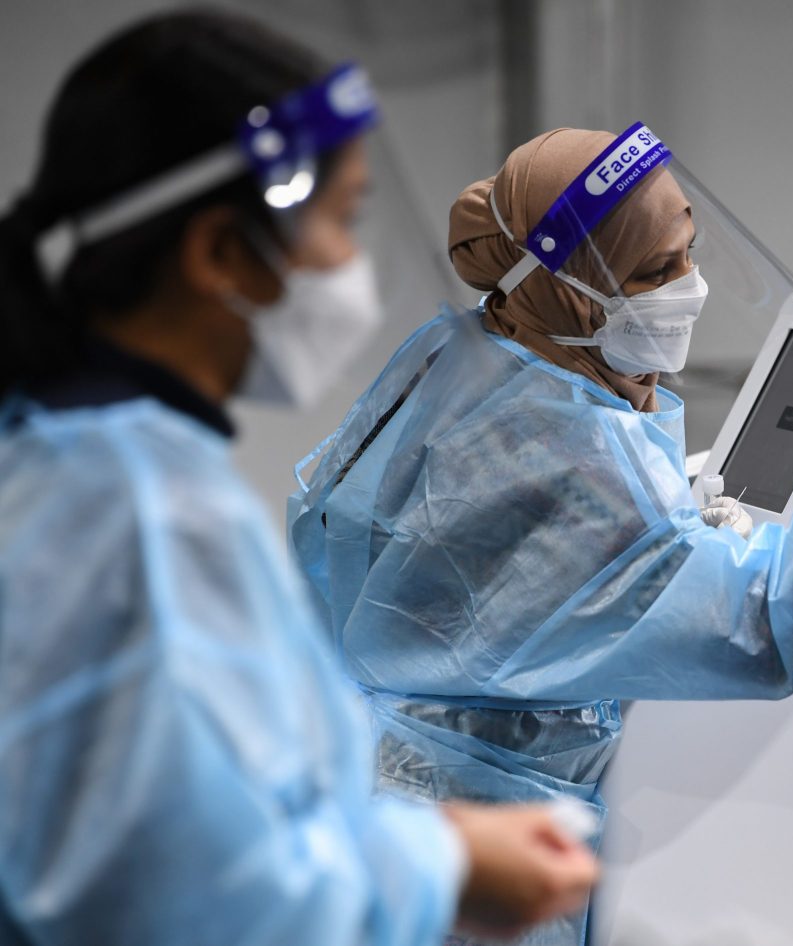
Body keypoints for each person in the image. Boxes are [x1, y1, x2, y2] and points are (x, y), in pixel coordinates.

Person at [287, 126, 793, 945]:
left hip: (384, 793)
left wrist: (664, 532)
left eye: (689, 253)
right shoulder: (565, 447)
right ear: (569, 289)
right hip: (476, 849)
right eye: (654, 271)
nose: (689, 286)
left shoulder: (474, 350)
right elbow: (765, 622)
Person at [0, 11, 596, 945]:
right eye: (342, 222)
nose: (350, 266)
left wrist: (415, 842)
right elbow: (183, 901)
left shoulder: (66, 450)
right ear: (220, 253)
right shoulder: (142, 512)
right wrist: (443, 869)